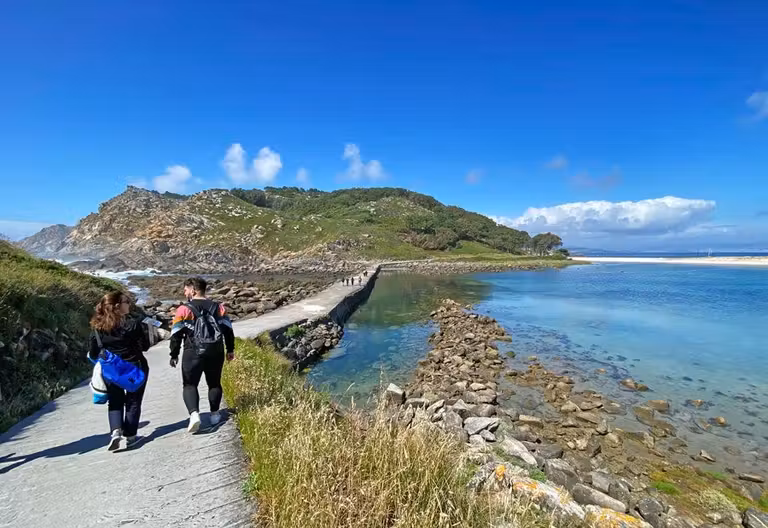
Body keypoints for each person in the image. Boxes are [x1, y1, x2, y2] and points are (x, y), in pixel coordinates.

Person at [169, 277, 235, 433]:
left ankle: (194, 415)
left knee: (190, 385)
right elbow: (228, 330)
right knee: (214, 383)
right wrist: (230, 349)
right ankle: (214, 415)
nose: (184, 293)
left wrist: (174, 354)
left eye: (186, 290)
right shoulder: (219, 308)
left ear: (193, 289)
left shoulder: (184, 310)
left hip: (193, 352)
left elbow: (176, 334)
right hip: (216, 351)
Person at [89, 292, 150, 451]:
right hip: (134, 367)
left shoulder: (97, 326)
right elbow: (145, 346)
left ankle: (115, 432)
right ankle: (130, 437)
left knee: (115, 401)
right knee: (133, 401)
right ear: (117, 305)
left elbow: (94, 353)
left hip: (111, 370)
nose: (128, 304)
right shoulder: (132, 324)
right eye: (126, 302)